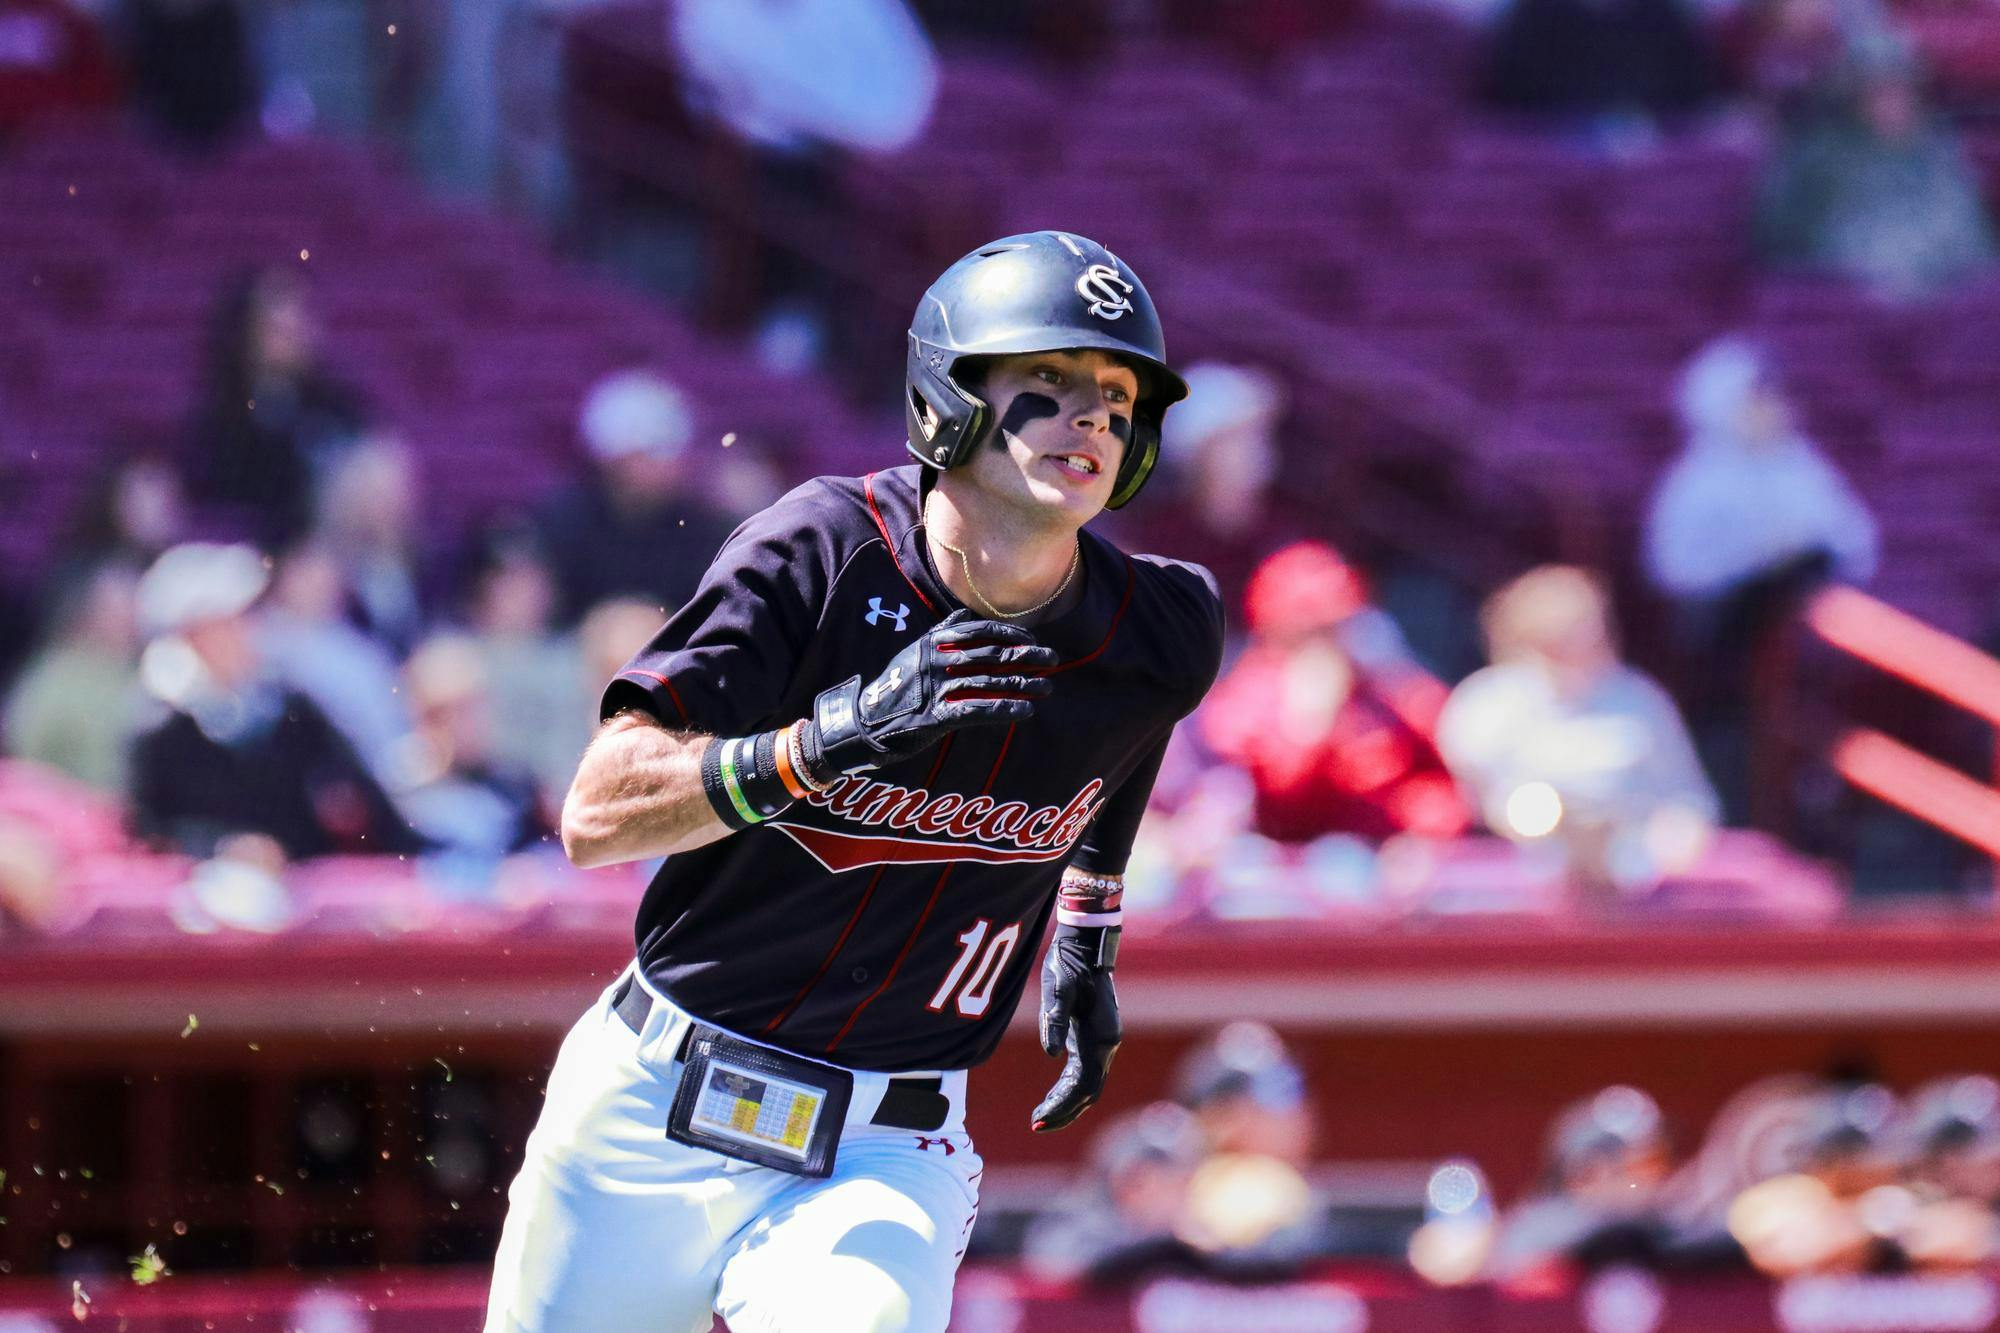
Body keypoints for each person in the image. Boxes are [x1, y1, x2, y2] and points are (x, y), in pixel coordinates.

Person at [485, 232, 1224, 1333]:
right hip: (652, 1102)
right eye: (1049, 383)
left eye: (1118, 398)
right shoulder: (821, 548)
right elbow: (597, 812)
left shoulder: (1161, 625)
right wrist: (824, 743)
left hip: (887, 1141)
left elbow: (1122, 735)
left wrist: (1088, 924)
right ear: (949, 397)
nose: (1093, 417)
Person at [126, 542, 422, 862]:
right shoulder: (161, 730)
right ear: (191, 636)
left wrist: (423, 854)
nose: (247, 631)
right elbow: (150, 832)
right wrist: (224, 849)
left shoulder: (294, 711)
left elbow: (369, 803)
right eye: (229, 622)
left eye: (247, 617)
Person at [1438, 566, 1719, 892]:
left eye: (1591, 635)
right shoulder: (1485, 705)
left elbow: (1689, 800)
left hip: (1639, 882)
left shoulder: (1639, 699)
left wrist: (1673, 838)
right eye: (1562, 640)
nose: (1581, 649)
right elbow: (1471, 806)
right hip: (1514, 885)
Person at [1201, 541, 1466, 845]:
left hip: (1393, 860)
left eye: (1339, 624)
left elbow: (1445, 751)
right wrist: (1311, 720)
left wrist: (1426, 828)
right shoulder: (1247, 696)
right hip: (1293, 865)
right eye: (1316, 628)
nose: (1332, 637)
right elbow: (1275, 805)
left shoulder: (1378, 680)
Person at [1754, 41, 1996, 297]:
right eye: (1879, 92)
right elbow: (1784, 248)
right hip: (1848, 306)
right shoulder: (1816, 164)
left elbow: (1972, 242)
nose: (1894, 104)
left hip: (1947, 301)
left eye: (1902, 91)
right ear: (1850, 99)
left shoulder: (1939, 154)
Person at [184, 267, 370, 549]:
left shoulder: (339, 409)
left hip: (330, 551)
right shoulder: (221, 420)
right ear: (246, 331)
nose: (292, 338)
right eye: (278, 329)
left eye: (297, 326)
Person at [532, 369, 736, 623]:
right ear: (613, 458)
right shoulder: (561, 527)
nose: (670, 464)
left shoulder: (705, 529)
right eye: (651, 453)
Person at [1488, 1085, 1676, 1278]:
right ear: (1590, 1172)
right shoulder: (1532, 1233)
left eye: (1663, 1159)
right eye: (1647, 1164)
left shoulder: (1660, 1221)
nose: (1660, 1175)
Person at [2, 562, 141, 795]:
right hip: (64, 808)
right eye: (118, 612)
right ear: (91, 613)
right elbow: (24, 745)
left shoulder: (145, 673)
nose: (128, 622)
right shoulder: (56, 674)